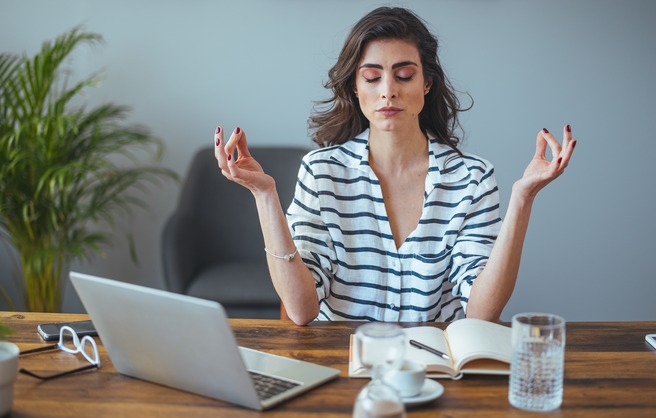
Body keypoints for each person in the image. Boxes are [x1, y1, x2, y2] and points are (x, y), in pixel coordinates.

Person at [213, 7, 576, 325]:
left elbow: (481, 313)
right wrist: (264, 194)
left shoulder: (473, 178)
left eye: (404, 75)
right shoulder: (321, 172)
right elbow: (301, 308)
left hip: (435, 374)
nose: (388, 90)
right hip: (345, 367)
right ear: (355, 87)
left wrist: (522, 199)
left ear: (427, 83)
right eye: (372, 77)